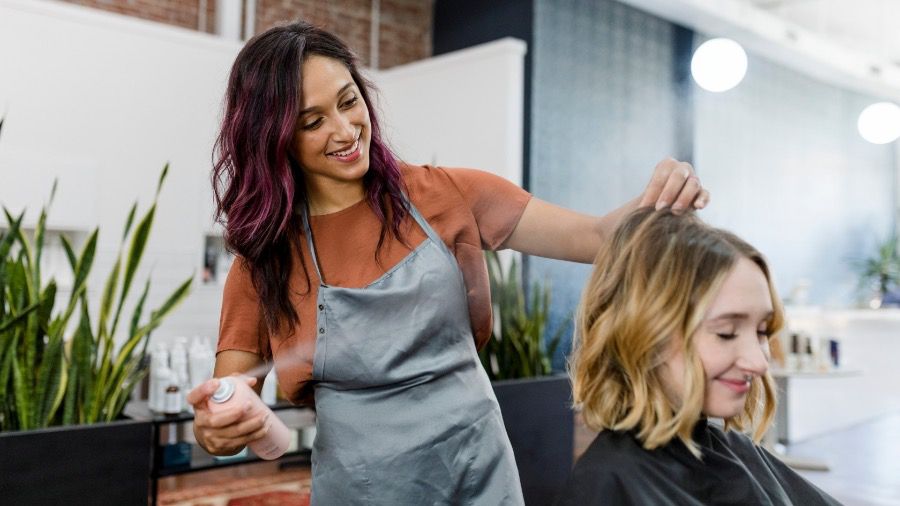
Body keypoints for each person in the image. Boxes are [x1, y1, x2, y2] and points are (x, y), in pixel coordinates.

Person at [185, 20, 708, 504]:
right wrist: (219, 425)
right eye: (312, 122)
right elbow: (230, 408)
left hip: (479, 476)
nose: (345, 131)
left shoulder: (451, 195)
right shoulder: (266, 261)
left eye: (350, 102)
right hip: (363, 490)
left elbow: (597, 237)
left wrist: (663, 200)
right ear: (275, 139)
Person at [556, 208, 841, 505]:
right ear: (647, 334)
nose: (758, 363)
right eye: (727, 332)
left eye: (762, 331)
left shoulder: (733, 451)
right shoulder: (607, 484)